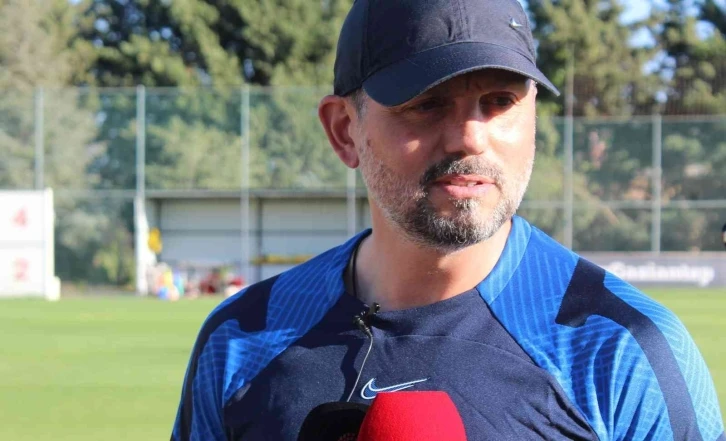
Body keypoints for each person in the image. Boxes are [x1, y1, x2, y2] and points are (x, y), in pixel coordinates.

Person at [171, 0, 725, 439]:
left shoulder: (622, 350)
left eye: (500, 101)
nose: (470, 137)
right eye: (427, 103)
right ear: (344, 131)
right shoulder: (240, 338)